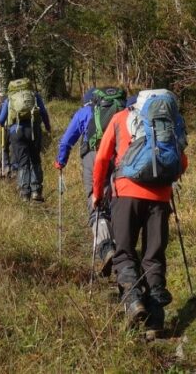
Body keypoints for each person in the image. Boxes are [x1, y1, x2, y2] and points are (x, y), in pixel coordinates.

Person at [91, 88, 188, 333]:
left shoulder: (121, 117)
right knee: (154, 255)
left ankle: (134, 302)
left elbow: (102, 159)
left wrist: (97, 193)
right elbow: (182, 160)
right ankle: (155, 320)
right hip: (161, 197)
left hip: (126, 194)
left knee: (123, 252)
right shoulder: (172, 120)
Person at [54, 85, 127, 274]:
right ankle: (123, 249)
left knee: (95, 200)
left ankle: (106, 247)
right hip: (121, 157)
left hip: (94, 158)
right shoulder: (123, 109)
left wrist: (61, 161)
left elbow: (66, 140)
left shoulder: (85, 112)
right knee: (118, 200)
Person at [0, 78, 52, 201]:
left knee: (22, 162)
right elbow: (44, 113)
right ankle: (36, 191)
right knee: (35, 160)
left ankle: (25, 193)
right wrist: (47, 127)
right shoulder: (34, 95)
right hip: (33, 130)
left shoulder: (10, 98)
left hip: (16, 132)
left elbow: (0, 119)